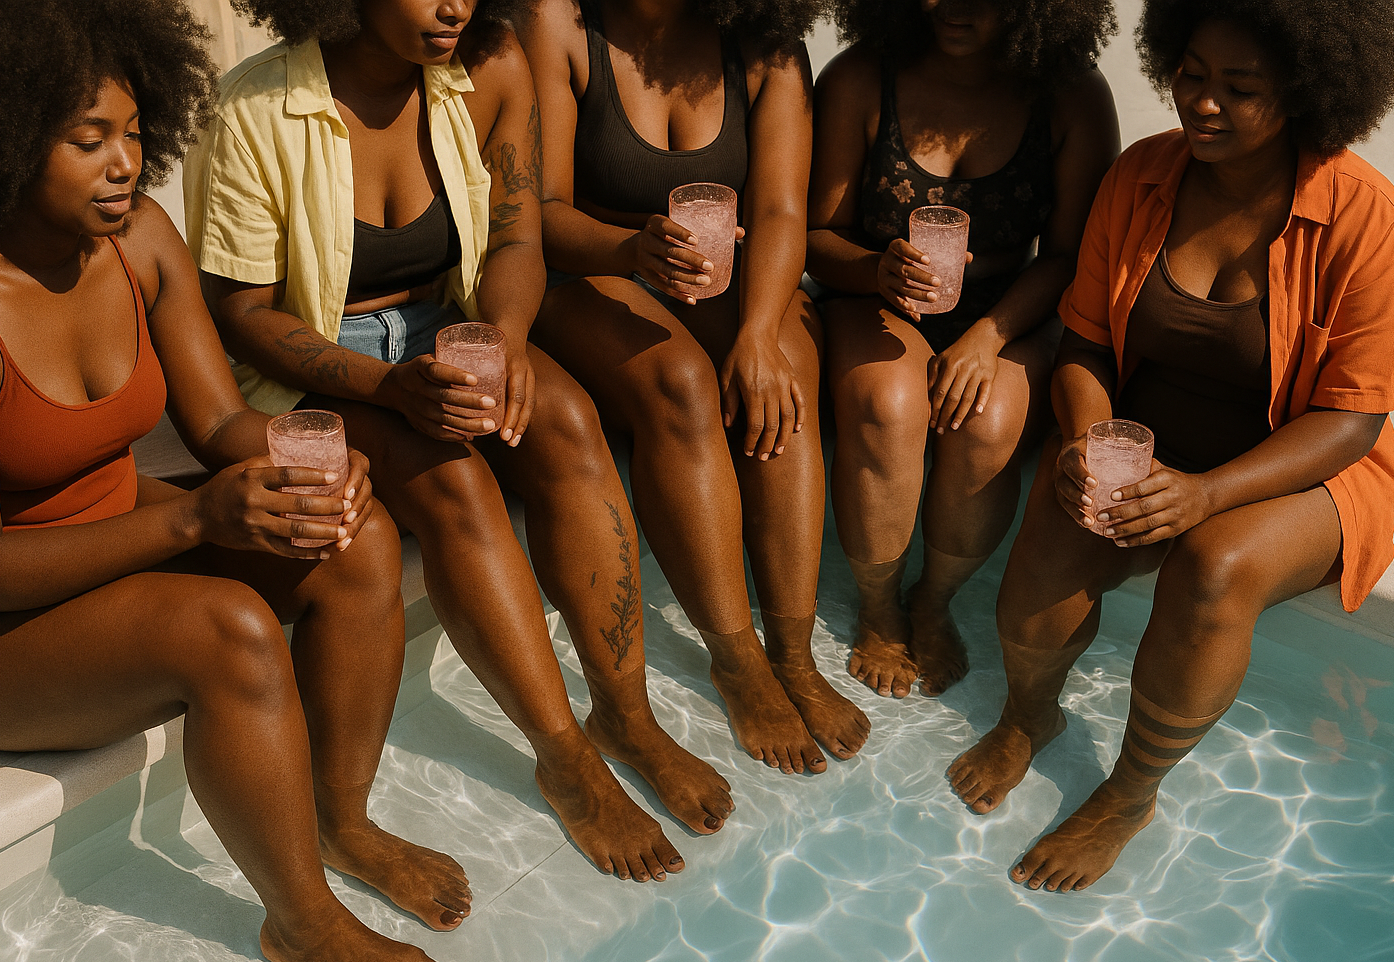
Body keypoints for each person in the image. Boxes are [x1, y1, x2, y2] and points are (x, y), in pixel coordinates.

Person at [0, 0, 467, 962]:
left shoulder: (140, 238)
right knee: (230, 629)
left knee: (359, 542)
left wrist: (313, 466)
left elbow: (216, 422)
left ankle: (340, 815)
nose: (127, 163)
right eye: (88, 140)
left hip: (117, 553)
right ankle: (302, 922)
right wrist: (197, 523)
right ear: (1, 138)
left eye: (133, 132)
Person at [191, 0, 722, 875]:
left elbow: (515, 236)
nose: (456, 6)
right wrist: (389, 389)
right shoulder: (254, 107)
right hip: (323, 362)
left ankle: (624, 714)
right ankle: (566, 761)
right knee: (456, 482)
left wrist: (507, 344)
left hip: (449, 327)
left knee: (568, 423)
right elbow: (243, 314)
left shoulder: (491, 67)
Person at [946, 0, 1394, 892]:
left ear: (1306, 94)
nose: (1201, 103)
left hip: (1301, 470)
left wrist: (1205, 494)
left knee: (1214, 565)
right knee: (1054, 528)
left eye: (1239, 89)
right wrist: (1089, 439)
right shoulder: (1142, 176)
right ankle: (1027, 716)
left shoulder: (1367, 220)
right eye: (1191, 74)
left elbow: (1352, 421)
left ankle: (1130, 793)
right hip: (1146, 448)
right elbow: (1084, 343)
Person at [520, 0, 872, 775]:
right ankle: (737, 660)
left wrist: (757, 336)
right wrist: (628, 247)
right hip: (589, 268)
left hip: (722, 271)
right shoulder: (561, 21)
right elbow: (537, 212)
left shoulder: (763, 37)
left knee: (789, 361)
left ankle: (794, 651)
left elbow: (781, 208)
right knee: (680, 382)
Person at [807, 0, 1119, 699]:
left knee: (989, 422)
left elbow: (1073, 256)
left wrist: (992, 334)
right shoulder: (861, 79)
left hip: (1013, 306)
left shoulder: (1070, 94)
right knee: (887, 403)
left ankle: (935, 598)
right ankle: (881, 603)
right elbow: (816, 238)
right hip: (875, 298)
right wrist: (873, 270)